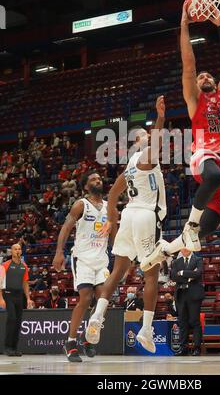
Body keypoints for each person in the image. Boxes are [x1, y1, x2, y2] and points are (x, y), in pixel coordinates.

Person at [140, 2, 220, 271]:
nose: (204, 76)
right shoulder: (195, 100)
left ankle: (165, 250)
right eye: (200, 77)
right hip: (204, 156)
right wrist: (184, 25)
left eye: (208, 75)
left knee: (209, 228)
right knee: (213, 179)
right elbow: (189, 65)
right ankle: (191, 225)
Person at [84, 96, 166, 354]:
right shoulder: (145, 157)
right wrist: (161, 117)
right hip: (144, 216)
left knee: (118, 272)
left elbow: (111, 198)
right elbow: (159, 138)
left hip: (128, 215)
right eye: (144, 136)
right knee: (151, 274)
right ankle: (146, 329)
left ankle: (97, 316)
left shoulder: (128, 167)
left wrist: (112, 221)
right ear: (140, 142)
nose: (147, 137)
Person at [53, 170, 115, 362]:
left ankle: (88, 337)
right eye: (93, 179)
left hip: (102, 259)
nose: (98, 180)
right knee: (86, 298)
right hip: (83, 259)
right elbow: (66, 227)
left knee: (104, 298)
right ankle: (71, 342)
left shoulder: (109, 207)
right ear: (86, 186)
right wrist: (59, 252)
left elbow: (114, 235)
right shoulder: (81, 205)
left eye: (99, 178)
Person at [0, 243, 34, 356]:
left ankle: (14, 348)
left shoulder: (24, 266)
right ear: (12, 251)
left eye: (19, 249)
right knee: (12, 318)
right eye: (15, 249)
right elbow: (0, 283)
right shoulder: (5, 265)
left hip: (19, 296)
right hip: (7, 294)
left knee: (18, 322)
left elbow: (25, 283)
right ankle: (7, 347)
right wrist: (1, 298)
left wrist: (28, 298)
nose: (18, 251)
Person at [170, 249, 204, 356]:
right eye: (182, 247)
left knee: (195, 321)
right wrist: (189, 276)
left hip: (194, 294)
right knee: (182, 322)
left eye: (187, 247)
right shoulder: (176, 262)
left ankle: (197, 348)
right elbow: (174, 276)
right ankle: (183, 348)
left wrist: (182, 273)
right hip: (181, 294)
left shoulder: (198, 259)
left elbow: (198, 274)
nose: (184, 249)